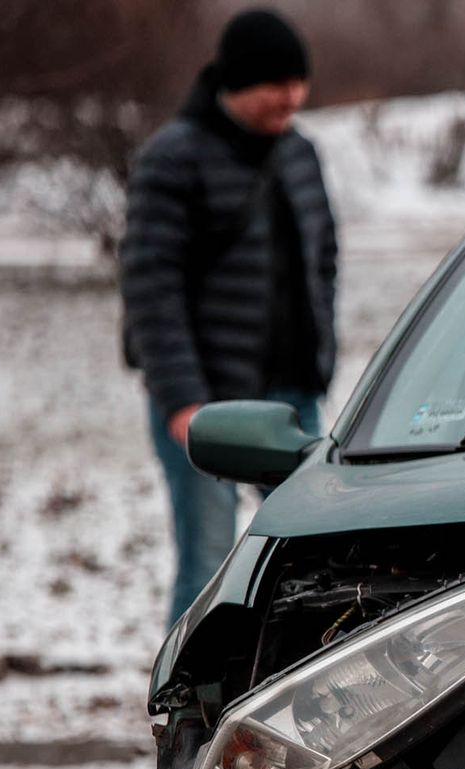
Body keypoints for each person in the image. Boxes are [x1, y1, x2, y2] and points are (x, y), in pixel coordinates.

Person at [120, 8, 336, 627]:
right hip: (208, 408)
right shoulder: (173, 157)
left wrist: (320, 357)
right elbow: (150, 286)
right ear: (237, 84)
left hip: (292, 401)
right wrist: (184, 400)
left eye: (300, 81)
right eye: (277, 83)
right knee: (208, 567)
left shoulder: (300, 152)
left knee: (311, 560)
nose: (292, 96)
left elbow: (324, 258)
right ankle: (189, 718)